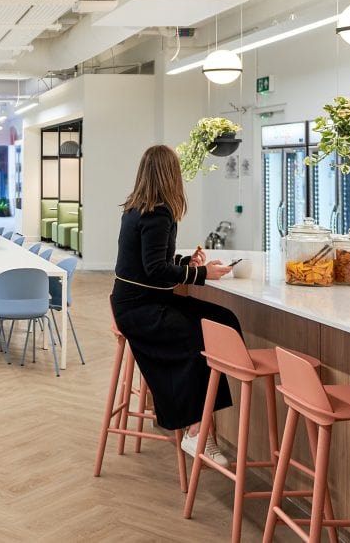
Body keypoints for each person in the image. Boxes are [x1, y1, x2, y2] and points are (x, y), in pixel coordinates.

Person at [110, 145, 239, 466]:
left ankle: (198, 423)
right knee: (203, 336)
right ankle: (198, 430)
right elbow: (154, 270)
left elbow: (149, 262)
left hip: (132, 304)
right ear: (171, 175)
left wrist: (184, 262)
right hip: (141, 309)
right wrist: (202, 273)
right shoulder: (158, 214)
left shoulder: (137, 208)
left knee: (222, 321)